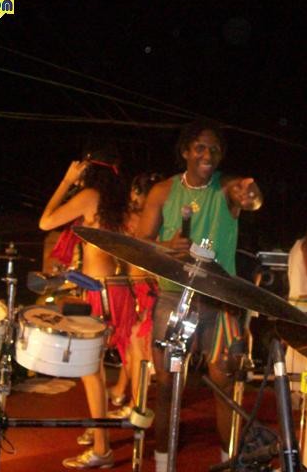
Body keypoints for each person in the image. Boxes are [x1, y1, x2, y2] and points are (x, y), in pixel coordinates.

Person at [135, 119, 262, 472]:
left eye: (215, 149)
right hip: (173, 298)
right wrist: (166, 247)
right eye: (201, 148)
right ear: (186, 151)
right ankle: (163, 466)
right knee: (167, 387)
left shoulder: (226, 188)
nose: (208, 155)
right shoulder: (163, 191)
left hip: (219, 301)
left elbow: (250, 197)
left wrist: (251, 195)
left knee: (224, 386)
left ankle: (228, 463)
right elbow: (141, 242)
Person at [39, 147, 127, 469]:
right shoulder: (112, 204)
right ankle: (99, 429)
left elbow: (46, 221)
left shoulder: (90, 196)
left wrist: (66, 181)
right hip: (110, 289)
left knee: (91, 371)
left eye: (82, 169)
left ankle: (103, 448)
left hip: (98, 293)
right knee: (94, 371)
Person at [106, 172, 164, 419]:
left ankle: (137, 405)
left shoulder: (140, 219)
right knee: (131, 343)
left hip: (148, 289)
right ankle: (125, 394)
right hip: (138, 287)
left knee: (137, 343)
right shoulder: (154, 219)